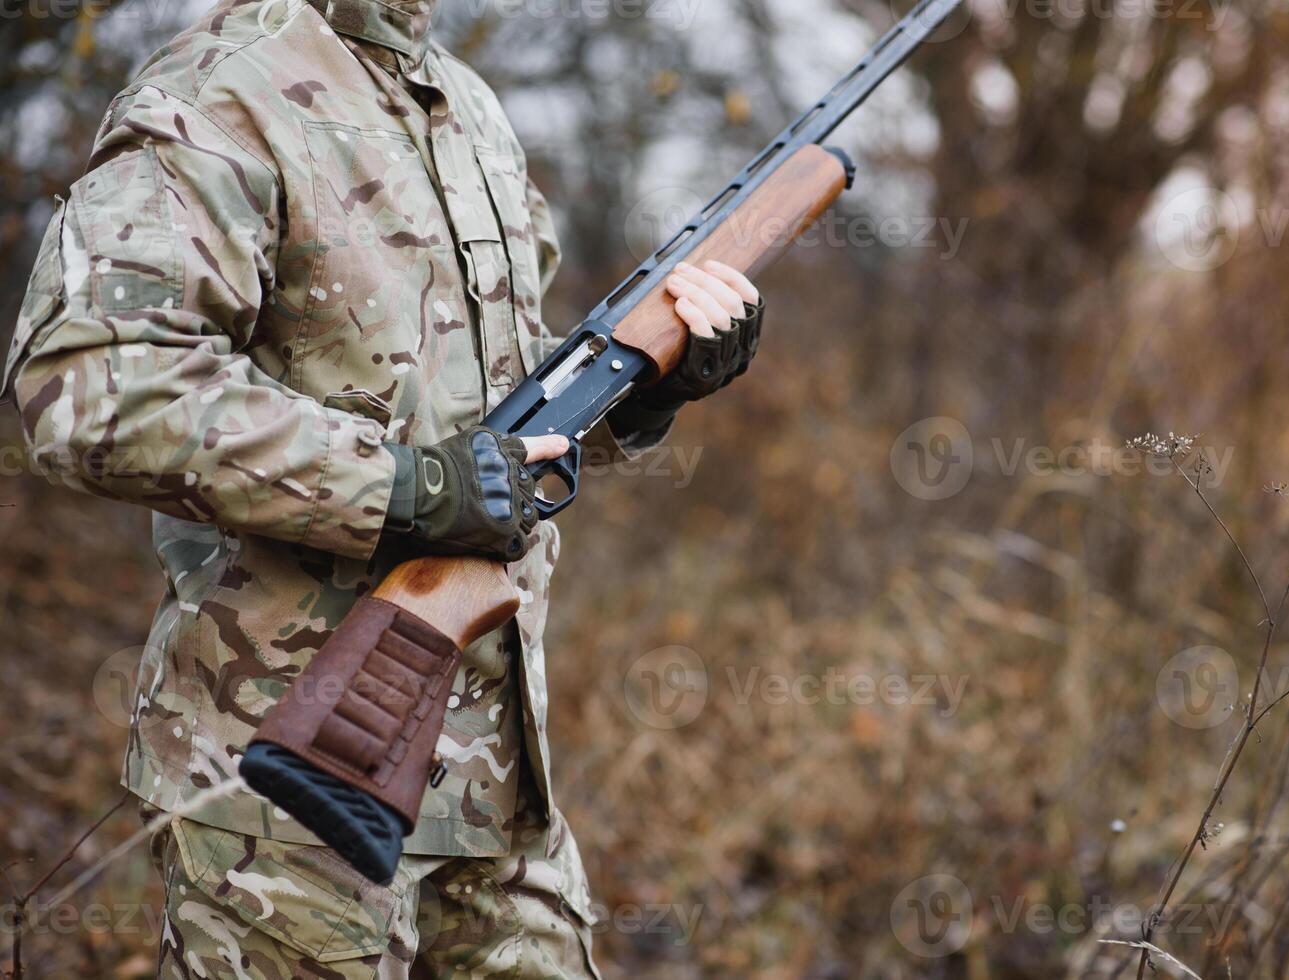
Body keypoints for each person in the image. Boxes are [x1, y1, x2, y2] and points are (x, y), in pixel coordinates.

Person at [1, 1, 763, 975]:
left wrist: (645, 393)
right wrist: (404, 486)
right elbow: (91, 382)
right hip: (281, 794)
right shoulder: (224, 87)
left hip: (496, 795)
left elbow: (500, 420)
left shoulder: (469, 106)